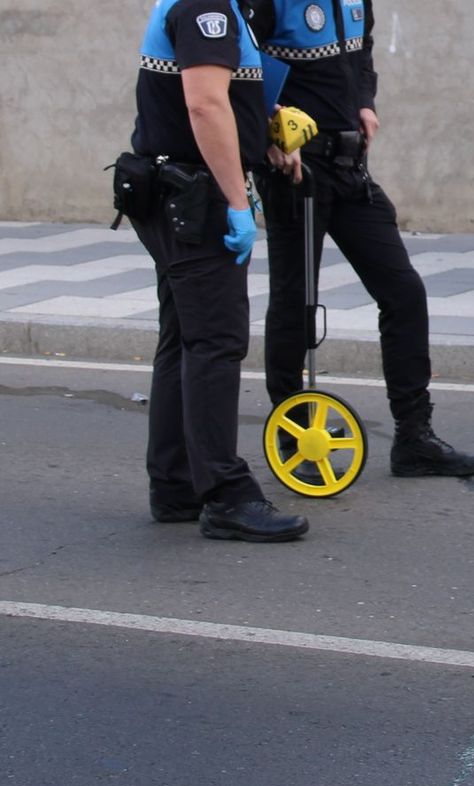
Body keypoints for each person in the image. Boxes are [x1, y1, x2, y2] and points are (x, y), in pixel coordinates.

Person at [245, 0, 474, 479]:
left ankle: (415, 438)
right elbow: (243, 66)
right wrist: (267, 138)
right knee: (295, 303)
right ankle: (295, 439)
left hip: (350, 165)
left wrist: (364, 101)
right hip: (296, 165)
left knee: (404, 292)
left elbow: (360, 50)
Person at [125, 0, 309, 542]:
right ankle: (226, 495)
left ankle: (175, 484)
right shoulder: (208, 6)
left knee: (184, 339)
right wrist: (237, 201)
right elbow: (204, 106)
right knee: (215, 342)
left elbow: (223, 97)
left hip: (175, 191)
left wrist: (264, 135)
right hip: (196, 199)